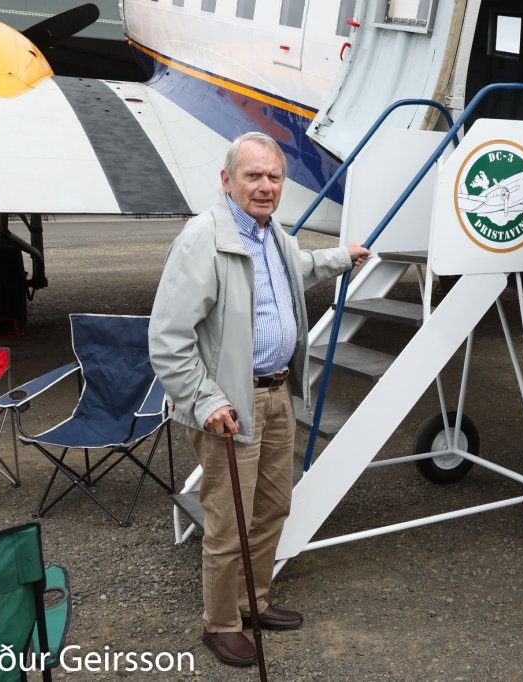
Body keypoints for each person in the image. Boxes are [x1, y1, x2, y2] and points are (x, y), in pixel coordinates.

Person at [148, 132, 370, 666]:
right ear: (227, 181)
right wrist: (205, 401)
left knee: (273, 506)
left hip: (277, 394)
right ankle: (219, 623)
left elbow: (298, 272)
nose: (265, 186)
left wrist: (342, 257)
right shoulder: (205, 238)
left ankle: (253, 602)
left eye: (273, 176)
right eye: (253, 176)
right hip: (229, 404)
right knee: (230, 519)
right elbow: (168, 337)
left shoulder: (274, 235)